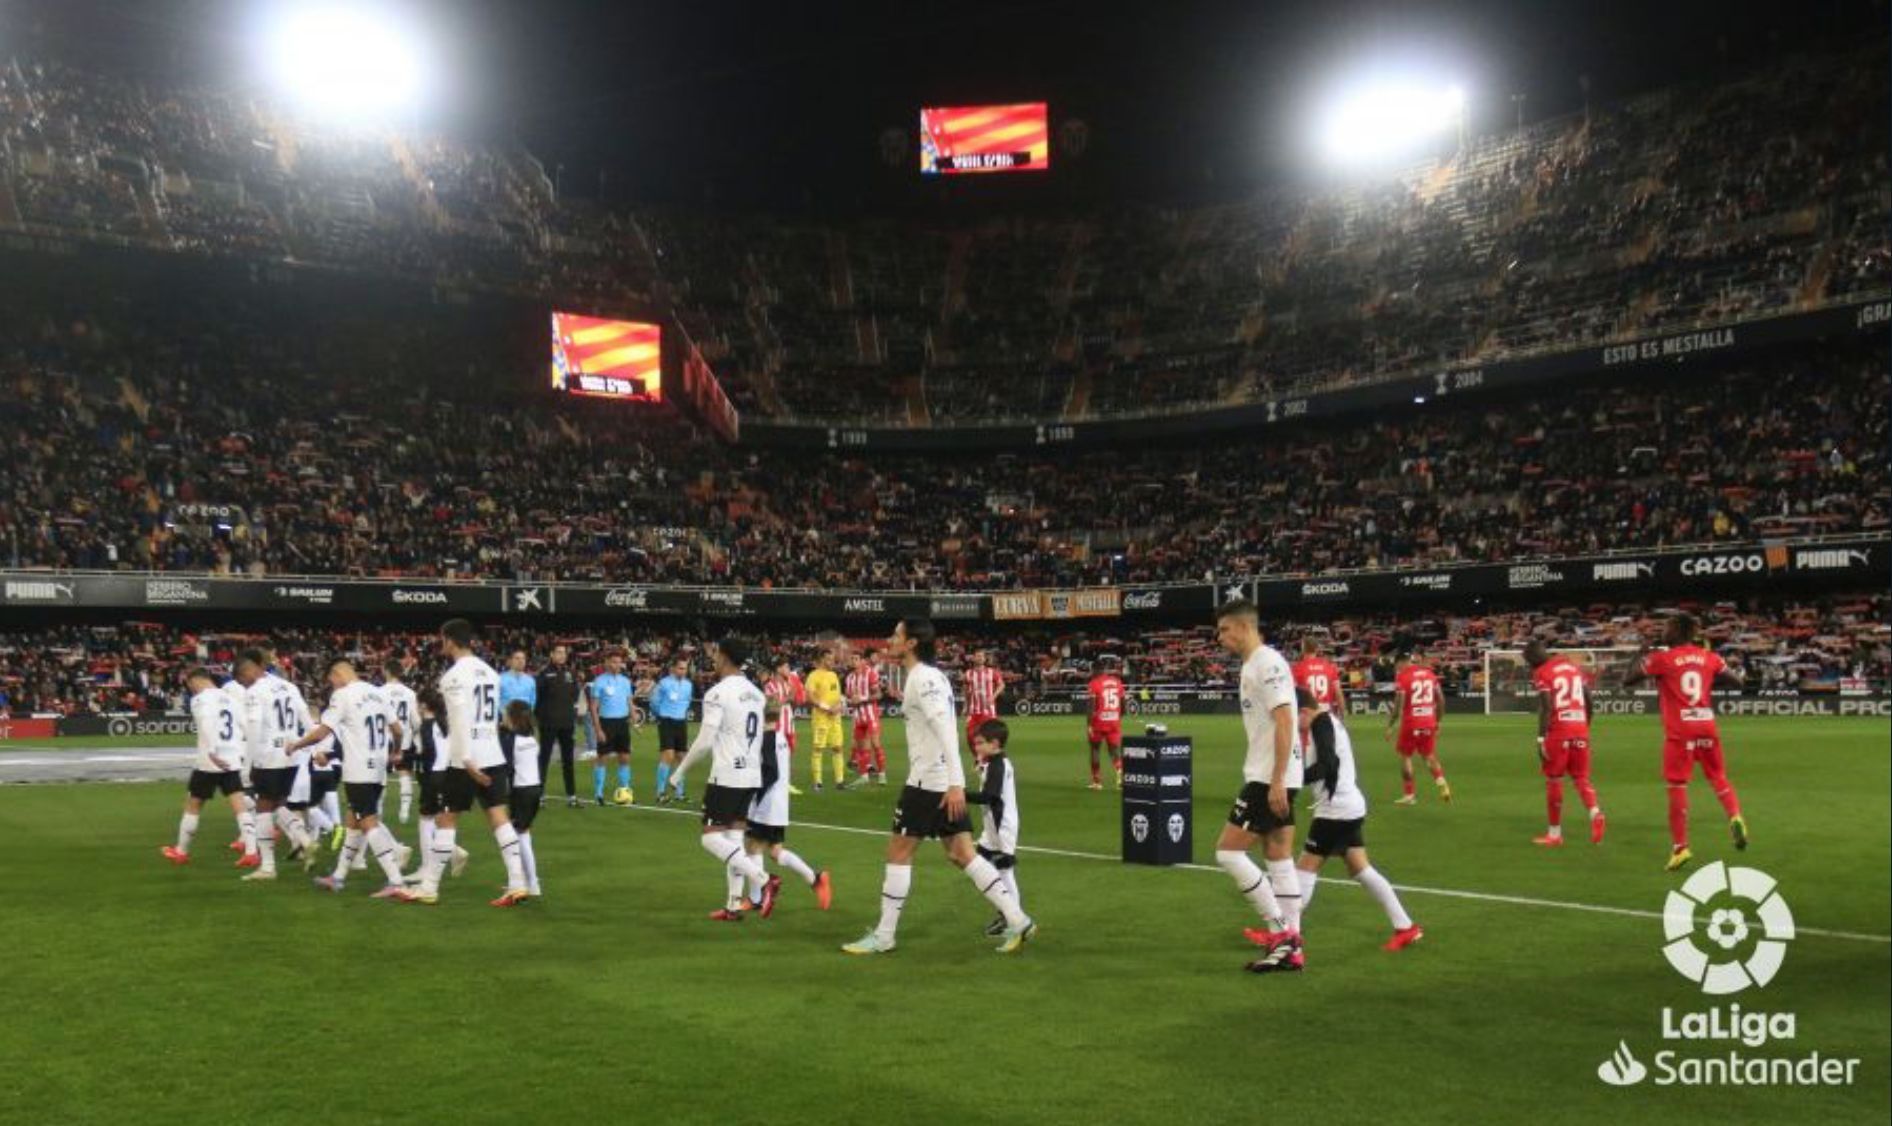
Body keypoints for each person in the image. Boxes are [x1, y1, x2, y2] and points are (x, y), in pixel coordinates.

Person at [842, 619, 1034, 956]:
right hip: (940, 780)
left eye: (897, 635)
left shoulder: (924, 678)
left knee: (899, 853)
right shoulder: (933, 676)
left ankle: (885, 936)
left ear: (912, 642)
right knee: (962, 854)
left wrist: (956, 783)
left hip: (928, 783)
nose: (891, 639)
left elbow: (945, 729)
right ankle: (1018, 919)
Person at [1279, 688, 1423, 958]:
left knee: (1305, 869)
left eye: (1293, 717)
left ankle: (1286, 933)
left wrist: (1292, 780)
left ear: (1304, 711)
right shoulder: (1328, 720)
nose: (1294, 725)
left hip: (1336, 809)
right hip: (1349, 805)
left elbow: (1328, 765)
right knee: (1361, 869)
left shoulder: (1321, 722)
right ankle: (1406, 926)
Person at [1211, 599, 1304, 973]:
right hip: (1275, 774)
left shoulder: (1266, 663)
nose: (1221, 638)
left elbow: (1285, 721)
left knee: (1228, 853)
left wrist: (1277, 780)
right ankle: (1293, 948)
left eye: (1224, 630)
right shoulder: (1256, 664)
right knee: (1279, 856)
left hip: (1270, 777)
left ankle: (1281, 933)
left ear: (1243, 627)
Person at [415, 618, 530, 907]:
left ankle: (429, 887)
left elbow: (461, 720)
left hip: (466, 759)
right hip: (493, 752)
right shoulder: (491, 672)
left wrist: (466, 761)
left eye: (443, 639)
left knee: (446, 818)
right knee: (498, 816)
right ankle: (517, 882)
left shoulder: (453, 677)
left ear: (451, 641)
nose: (442, 644)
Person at [1622, 613, 1748, 872]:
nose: (1663, 631)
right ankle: (1735, 816)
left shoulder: (1662, 659)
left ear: (1677, 632)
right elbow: (1737, 681)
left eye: (1666, 628)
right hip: (1706, 722)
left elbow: (1628, 680)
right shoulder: (1709, 657)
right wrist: (1708, 676)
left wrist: (1642, 653)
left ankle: (1680, 848)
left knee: (1677, 785)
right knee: (1718, 776)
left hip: (1681, 729)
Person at [665, 638, 777, 922]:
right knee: (734, 839)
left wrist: (679, 772)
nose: (713, 660)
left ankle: (763, 879)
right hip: (751, 773)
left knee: (710, 839)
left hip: (727, 774)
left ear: (725, 657)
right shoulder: (756, 693)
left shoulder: (717, 693)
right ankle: (732, 905)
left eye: (716, 655)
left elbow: (704, 742)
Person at [291, 660, 414, 898]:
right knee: (353, 824)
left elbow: (322, 731)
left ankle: (396, 881)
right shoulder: (377, 693)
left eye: (331, 680)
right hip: (377, 770)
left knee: (367, 822)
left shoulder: (343, 696)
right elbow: (398, 730)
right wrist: (395, 752)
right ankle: (338, 876)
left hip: (358, 771)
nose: (332, 686)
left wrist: (297, 745)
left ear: (337, 674)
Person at [737, 697, 833, 913]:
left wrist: (754, 795)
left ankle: (756, 898)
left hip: (766, 806)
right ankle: (815, 879)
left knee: (752, 847)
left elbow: (771, 771)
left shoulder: (767, 738)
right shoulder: (780, 737)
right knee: (775, 851)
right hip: (779, 805)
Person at [235, 647, 316, 881]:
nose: (243, 685)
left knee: (263, 808)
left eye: (242, 679)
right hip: (291, 755)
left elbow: (254, 728)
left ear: (249, 670)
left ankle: (268, 867)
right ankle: (305, 840)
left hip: (268, 755)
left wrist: (247, 765)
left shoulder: (256, 691)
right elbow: (307, 720)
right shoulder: (289, 686)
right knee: (279, 802)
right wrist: (314, 747)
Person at [161, 667, 256, 866]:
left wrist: (212, 750)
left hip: (209, 761)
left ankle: (181, 851)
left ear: (195, 681)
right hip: (231, 759)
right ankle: (251, 852)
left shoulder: (200, 699)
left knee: (193, 805)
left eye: (190, 686)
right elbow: (246, 726)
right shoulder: (230, 698)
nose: (191, 690)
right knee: (239, 805)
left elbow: (206, 723)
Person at [1526, 641, 1605, 847]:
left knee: (1554, 779)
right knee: (1581, 777)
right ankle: (1595, 812)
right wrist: (1585, 725)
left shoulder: (1542, 672)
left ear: (1534, 659)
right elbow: (1589, 701)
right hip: (1580, 728)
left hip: (1559, 731)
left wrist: (1541, 738)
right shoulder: (1573, 668)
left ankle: (1555, 834)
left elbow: (1546, 706)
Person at [966, 719, 1022, 937]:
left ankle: (1015, 920)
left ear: (995, 743)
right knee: (979, 865)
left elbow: (989, 796)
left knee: (1005, 873)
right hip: (991, 829)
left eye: (980, 743)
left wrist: (960, 794)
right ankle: (1006, 915)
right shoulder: (995, 762)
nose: (976, 747)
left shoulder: (998, 766)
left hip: (1002, 828)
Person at [1388, 650, 1451, 805]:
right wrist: (1438, 722)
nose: (1397, 668)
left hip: (1411, 723)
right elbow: (1441, 700)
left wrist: (1391, 724)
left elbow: (1398, 705)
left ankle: (1409, 795)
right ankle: (1442, 783)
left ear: (1401, 662)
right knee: (1429, 755)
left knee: (1406, 756)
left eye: (1397, 665)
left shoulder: (1402, 677)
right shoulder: (1429, 674)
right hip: (1429, 721)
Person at [500, 701, 545, 898]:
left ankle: (531, 883)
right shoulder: (531, 739)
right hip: (535, 788)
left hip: (521, 791)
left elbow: (507, 767)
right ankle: (526, 881)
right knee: (524, 834)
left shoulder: (512, 741)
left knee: (519, 837)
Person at [536, 643, 582, 807]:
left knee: (568, 760)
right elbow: (537, 698)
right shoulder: (543, 674)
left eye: (564, 652)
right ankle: (539, 796)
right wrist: (541, 717)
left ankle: (572, 797)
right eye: (559, 652)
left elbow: (574, 696)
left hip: (567, 723)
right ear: (551, 654)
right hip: (548, 723)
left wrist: (573, 717)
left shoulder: (570, 673)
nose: (562, 655)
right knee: (544, 759)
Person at [589, 651, 637, 806]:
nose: (617, 665)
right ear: (607, 662)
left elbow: (629, 701)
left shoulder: (625, 681)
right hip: (606, 723)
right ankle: (598, 794)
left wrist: (633, 714)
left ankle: (625, 791)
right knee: (602, 758)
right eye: (614, 662)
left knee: (625, 757)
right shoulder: (599, 681)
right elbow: (594, 707)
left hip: (622, 723)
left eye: (619, 662)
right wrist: (598, 729)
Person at [650, 656, 695, 804]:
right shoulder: (663, 683)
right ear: (673, 668)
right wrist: (662, 714)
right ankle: (660, 793)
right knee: (668, 755)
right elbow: (654, 703)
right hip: (667, 721)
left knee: (681, 758)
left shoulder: (688, 685)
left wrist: (680, 713)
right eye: (681, 668)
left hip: (680, 722)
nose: (684, 671)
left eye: (685, 668)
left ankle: (679, 793)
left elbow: (687, 701)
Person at [382, 666, 421, 824]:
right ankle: (404, 810)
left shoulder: (379, 691)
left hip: (384, 740)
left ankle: (378, 811)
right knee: (405, 773)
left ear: (387, 671)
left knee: (381, 776)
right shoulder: (410, 693)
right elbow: (416, 721)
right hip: (404, 739)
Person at [844, 651, 888, 787]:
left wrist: (861, 698)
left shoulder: (870, 673)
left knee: (875, 744)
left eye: (856, 659)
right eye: (852, 659)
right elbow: (849, 699)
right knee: (862, 748)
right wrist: (851, 700)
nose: (854, 661)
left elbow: (879, 694)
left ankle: (882, 775)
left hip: (870, 716)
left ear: (863, 661)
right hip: (858, 717)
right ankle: (864, 776)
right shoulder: (849, 678)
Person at [806, 648, 847, 792]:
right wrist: (826, 708)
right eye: (829, 659)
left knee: (838, 747)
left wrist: (839, 705)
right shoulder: (813, 675)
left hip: (835, 717)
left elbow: (838, 694)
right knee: (818, 749)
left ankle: (840, 782)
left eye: (833, 659)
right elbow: (810, 697)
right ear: (822, 659)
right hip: (821, 717)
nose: (832, 662)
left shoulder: (833, 675)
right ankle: (818, 782)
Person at [1085, 656, 1126, 791]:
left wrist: (1089, 725)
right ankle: (1120, 775)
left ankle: (1097, 782)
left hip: (1099, 722)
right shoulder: (1117, 682)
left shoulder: (1093, 683)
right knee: (1114, 750)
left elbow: (1090, 706)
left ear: (1096, 669)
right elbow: (1123, 703)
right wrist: (1118, 716)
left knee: (1095, 749)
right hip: (1114, 720)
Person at [1291, 635, 1347, 712]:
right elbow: (1338, 693)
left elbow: (1291, 694)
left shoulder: (1296, 668)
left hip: (1307, 712)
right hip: (1326, 711)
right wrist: (1342, 715)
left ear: (1302, 649)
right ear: (1316, 649)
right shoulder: (1329, 666)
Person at [962, 650, 1005, 746]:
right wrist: (965, 706)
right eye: (977, 656)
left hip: (988, 710)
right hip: (973, 710)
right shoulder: (968, 674)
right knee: (970, 736)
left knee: (989, 735)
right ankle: (978, 756)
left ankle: (987, 756)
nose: (980, 658)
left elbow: (1001, 685)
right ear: (973, 658)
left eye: (981, 656)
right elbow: (966, 691)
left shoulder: (992, 672)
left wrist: (993, 697)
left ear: (985, 659)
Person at [499, 650, 537, 716]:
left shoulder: (530, 680)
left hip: (525, 719)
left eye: (523, 658)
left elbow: (532, 701)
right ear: (510, 661)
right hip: (506, 719)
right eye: (517, 658)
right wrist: (504, 715)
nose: (521, 661)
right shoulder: (500, 679)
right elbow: (497, 700)